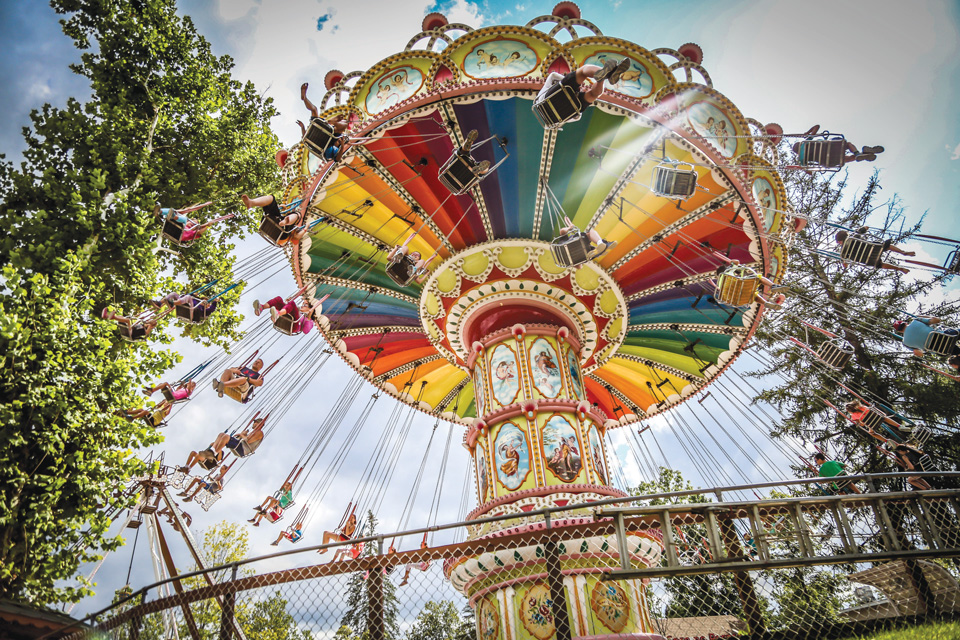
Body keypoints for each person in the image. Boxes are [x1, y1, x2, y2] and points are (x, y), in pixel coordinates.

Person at [535, 58, 631, 124]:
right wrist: (570, 81)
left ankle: (602, 78)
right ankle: (604, 74)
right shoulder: (561, 89)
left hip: (557, 116)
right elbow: (553, 75)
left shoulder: (572, 97)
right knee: (582, 72)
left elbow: (577, 117)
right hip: (546, 101)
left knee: (592, 95)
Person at [299, 83, 351, 161]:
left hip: (325, 143)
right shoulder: (334, 138)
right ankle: (304, 98)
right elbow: (305, 138)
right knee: (315, 110)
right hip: (323, 132)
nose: (340, 139)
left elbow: (337, 159)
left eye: (341, 140)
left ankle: (333, 121)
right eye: (341, 139)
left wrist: (302, 128)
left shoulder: (335, 149)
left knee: (315, 111)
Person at [792, 124, 885, 165]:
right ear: (800, 144)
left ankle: (859, 156)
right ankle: (857, 154)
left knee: (845, 159)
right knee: (848, 144)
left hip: (828, 161)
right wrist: (807, 133)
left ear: (797, 153)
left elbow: (807, 170)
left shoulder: (802, 158)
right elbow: (817, 126)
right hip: (833, 147)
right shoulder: (807, 142)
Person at [834, 228, 914, 274]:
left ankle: (899, 269)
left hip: (868, 260)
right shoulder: (854, 236)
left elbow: (845, 265)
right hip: (874, 248)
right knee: (886, 246)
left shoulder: (843, 253)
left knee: (880, 265)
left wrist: (845, 264)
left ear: (839, 241)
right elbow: (866, 227)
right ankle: (902, 252)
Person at [712, 260, 787, 309]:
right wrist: (731, 262)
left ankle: (765, 303)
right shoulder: (728, 272)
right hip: (737, 286)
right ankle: (773, 286)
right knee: (758, 278)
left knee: (752, 295)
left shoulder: (720, 283)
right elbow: (737, 262)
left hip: (733, 297)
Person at [253, 288, 329, 335]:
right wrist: (287, 302)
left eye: (305, 305)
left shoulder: (308, 320)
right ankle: (262, 308)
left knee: (292, 304)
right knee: (279, 299)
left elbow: (306, 331)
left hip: (294, 325)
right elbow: (290, 307)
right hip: (286, 318)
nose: (302, 305)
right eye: (303, 304)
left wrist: (309, 317)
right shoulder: (298, 311)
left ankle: (278, 314)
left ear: (310, 309)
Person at [893, 316, 958, 357]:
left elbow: (920, 354)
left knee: (956, 351)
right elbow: (937, 320)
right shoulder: (916, 321)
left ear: (899, 331)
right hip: (946, 337)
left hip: (941, 350)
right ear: (905, 323)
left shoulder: (905, 343)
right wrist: (920, 316)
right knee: (956, 332)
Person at [101, 306, 171, 341]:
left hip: (130, 334)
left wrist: (150, 325)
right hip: (130, 330)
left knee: (127, 320)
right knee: (122, 317)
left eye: (148, 324)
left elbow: (147, 332)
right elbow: (133, 323)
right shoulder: (141, 326)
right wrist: (140, 319)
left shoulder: (145, 329)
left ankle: (112, 317)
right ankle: (106, 316)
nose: (147, 324)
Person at [151, 292, 219, 319]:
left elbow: (211, 309)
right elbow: (185, 296)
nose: (207, 304)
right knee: (174, 294)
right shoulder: (195, 301)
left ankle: (172, 303)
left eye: (207, 304)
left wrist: (215, 302)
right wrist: (193, 295)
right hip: (185, 305)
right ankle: (159, 303)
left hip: (192, 313)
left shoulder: (204, 310)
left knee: (189, 297)